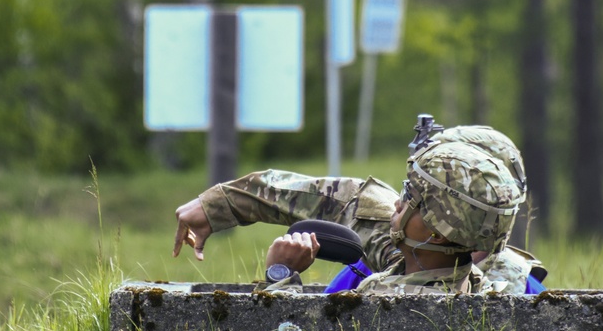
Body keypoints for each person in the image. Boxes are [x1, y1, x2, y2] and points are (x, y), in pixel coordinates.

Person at [173, 126, 545, 294]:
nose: (399, 204)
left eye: (416, 195)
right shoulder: (455, 265)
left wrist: (280, 275)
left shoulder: (381, 298)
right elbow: (349, 202)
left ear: (443, 223)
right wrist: (220, 204)